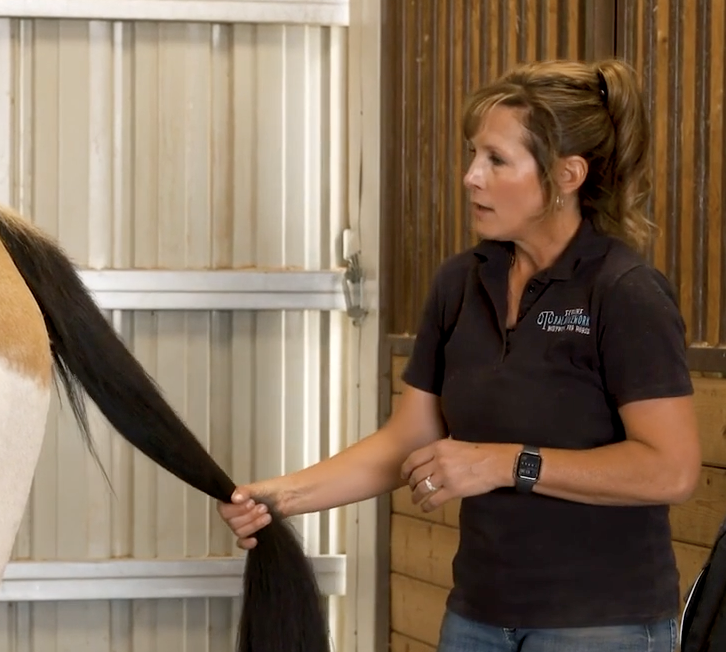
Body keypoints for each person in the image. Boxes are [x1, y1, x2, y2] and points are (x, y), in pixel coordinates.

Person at [218, 58, 701, 652]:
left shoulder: (623, 291)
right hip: (477, 619)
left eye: (497, 160)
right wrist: (283, 497)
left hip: (601, 626)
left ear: (567, 174)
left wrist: (507, 463)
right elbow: (406, 441)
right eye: (474, 154)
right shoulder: (461, 283)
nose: (472, 176)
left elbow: (671, 469)